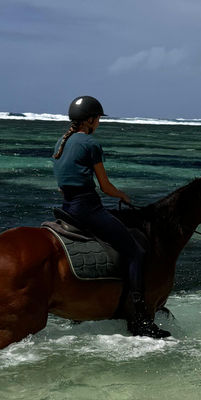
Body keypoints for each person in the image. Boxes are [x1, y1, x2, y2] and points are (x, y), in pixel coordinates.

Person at [52, 95, 170, 338]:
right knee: (136, 251)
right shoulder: (90, 144)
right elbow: (105, 187)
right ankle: (139, 317)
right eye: (97, 119)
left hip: (67, 208)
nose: (99, 123)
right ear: (90, 120)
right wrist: (123, 196)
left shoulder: (60, 143)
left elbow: (64, 185)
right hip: (87, 210)